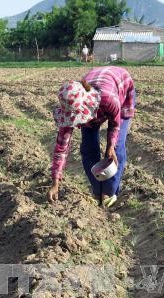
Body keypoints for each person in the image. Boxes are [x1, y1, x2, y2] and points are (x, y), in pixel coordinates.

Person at [47, 66, 136, 208]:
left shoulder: (108, 99)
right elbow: (61, 149)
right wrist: (55, 182)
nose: (76, 120)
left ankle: (109, 192)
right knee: (88, 149)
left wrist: (110, 146)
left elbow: (115, 124)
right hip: (95, 100)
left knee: (117, 147)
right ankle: (97, 191)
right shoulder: (70, 108)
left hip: (121, 89)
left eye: (79, 116)